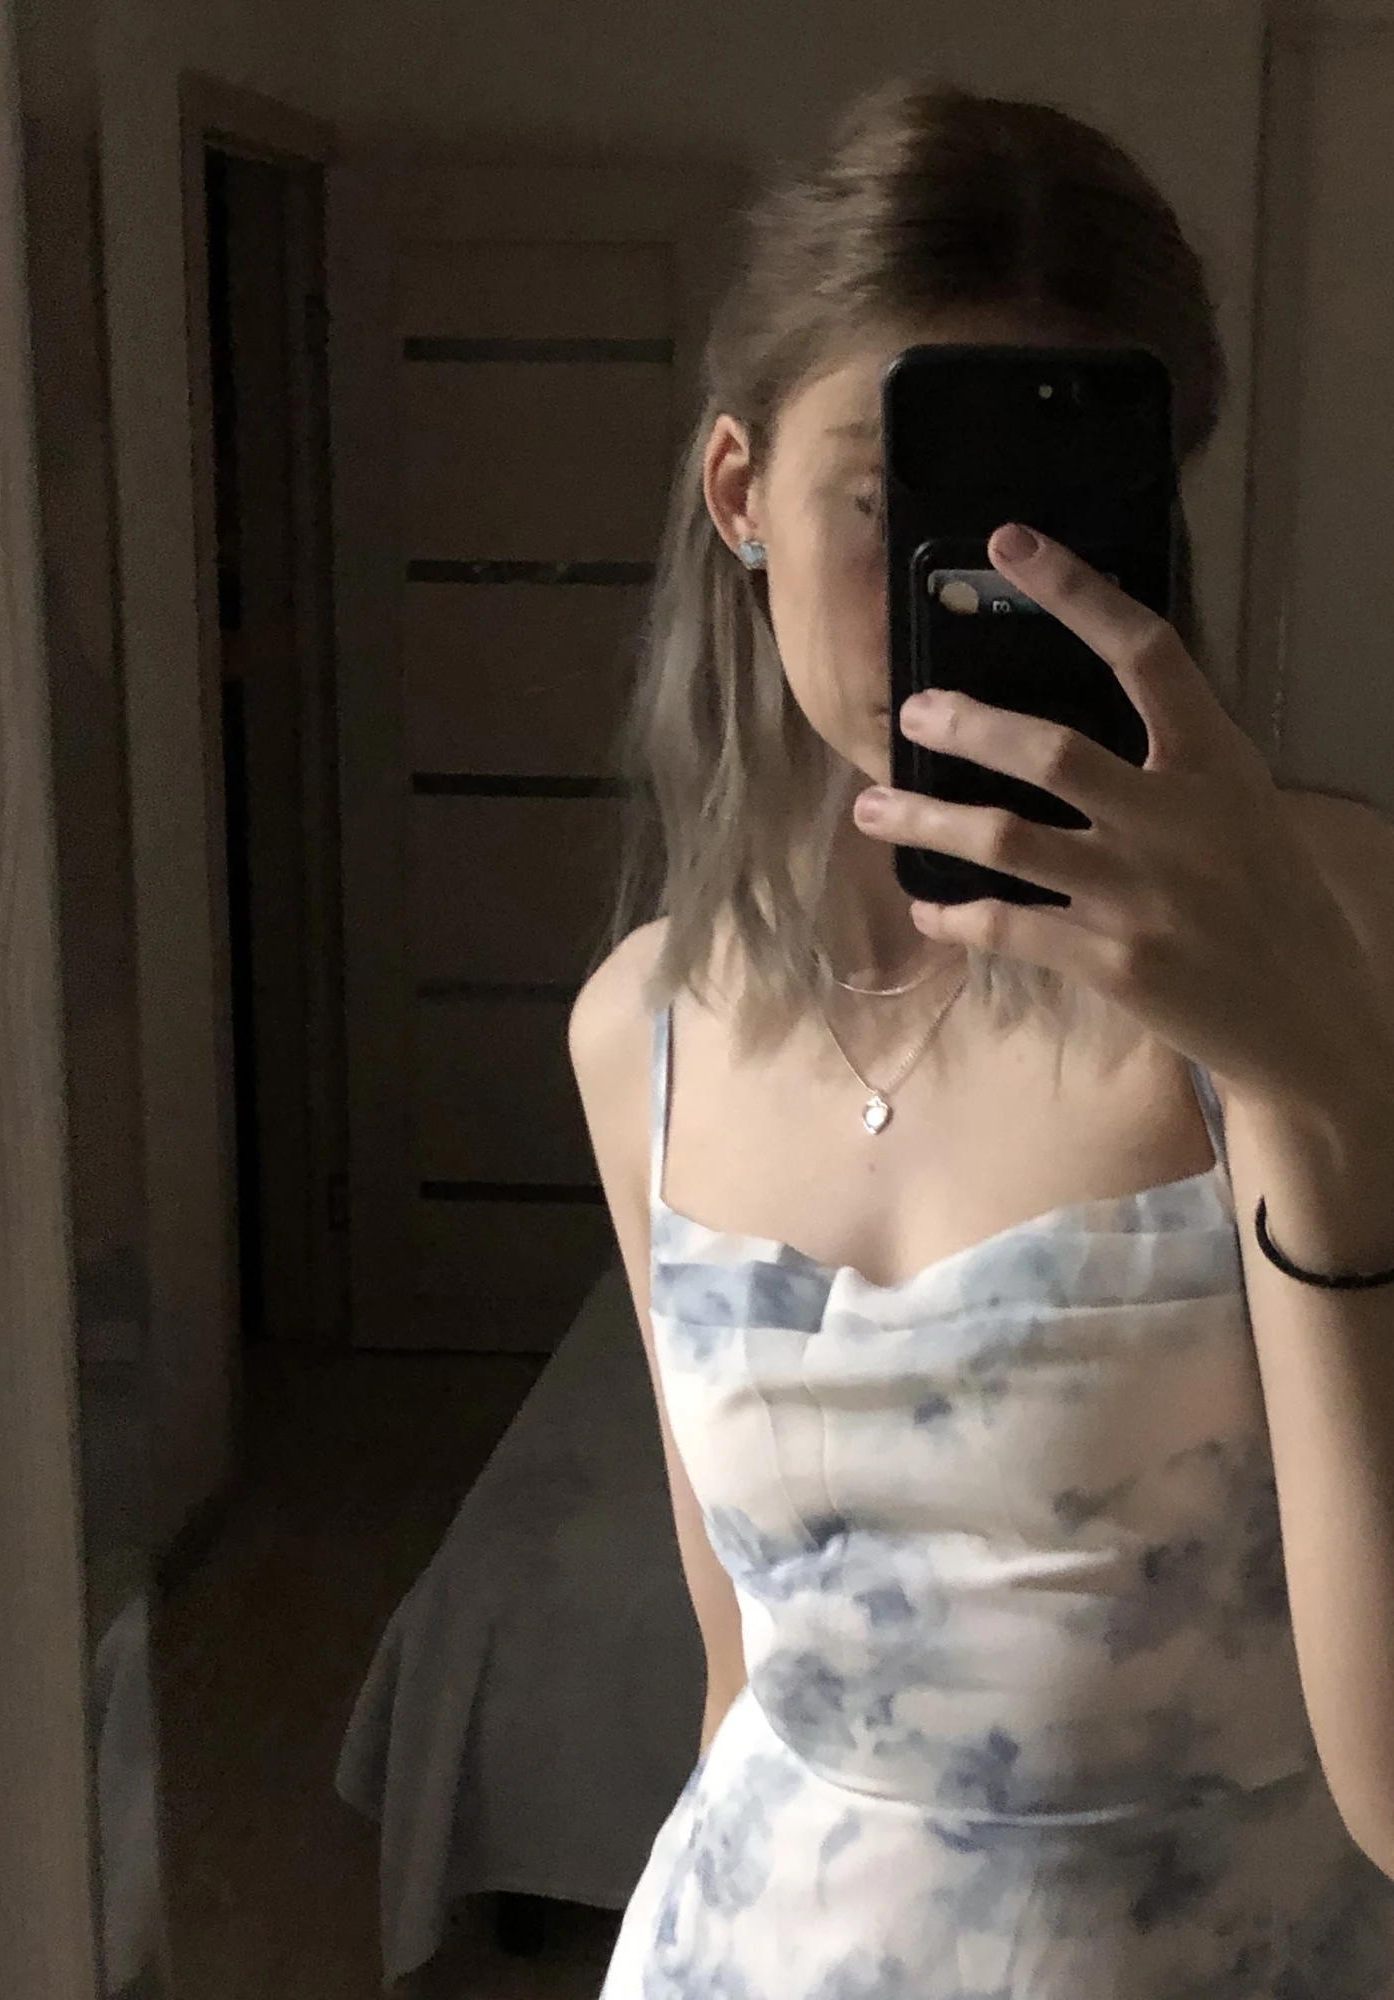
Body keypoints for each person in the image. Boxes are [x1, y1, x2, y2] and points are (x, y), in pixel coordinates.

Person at [567, 73, 1394, 1996]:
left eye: (1059, 521)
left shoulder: (1342, 928)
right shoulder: (643, 1034)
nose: (971, 585)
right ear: (740, 493)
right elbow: (744, 1679)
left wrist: (1311, 1085)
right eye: (891, 500)